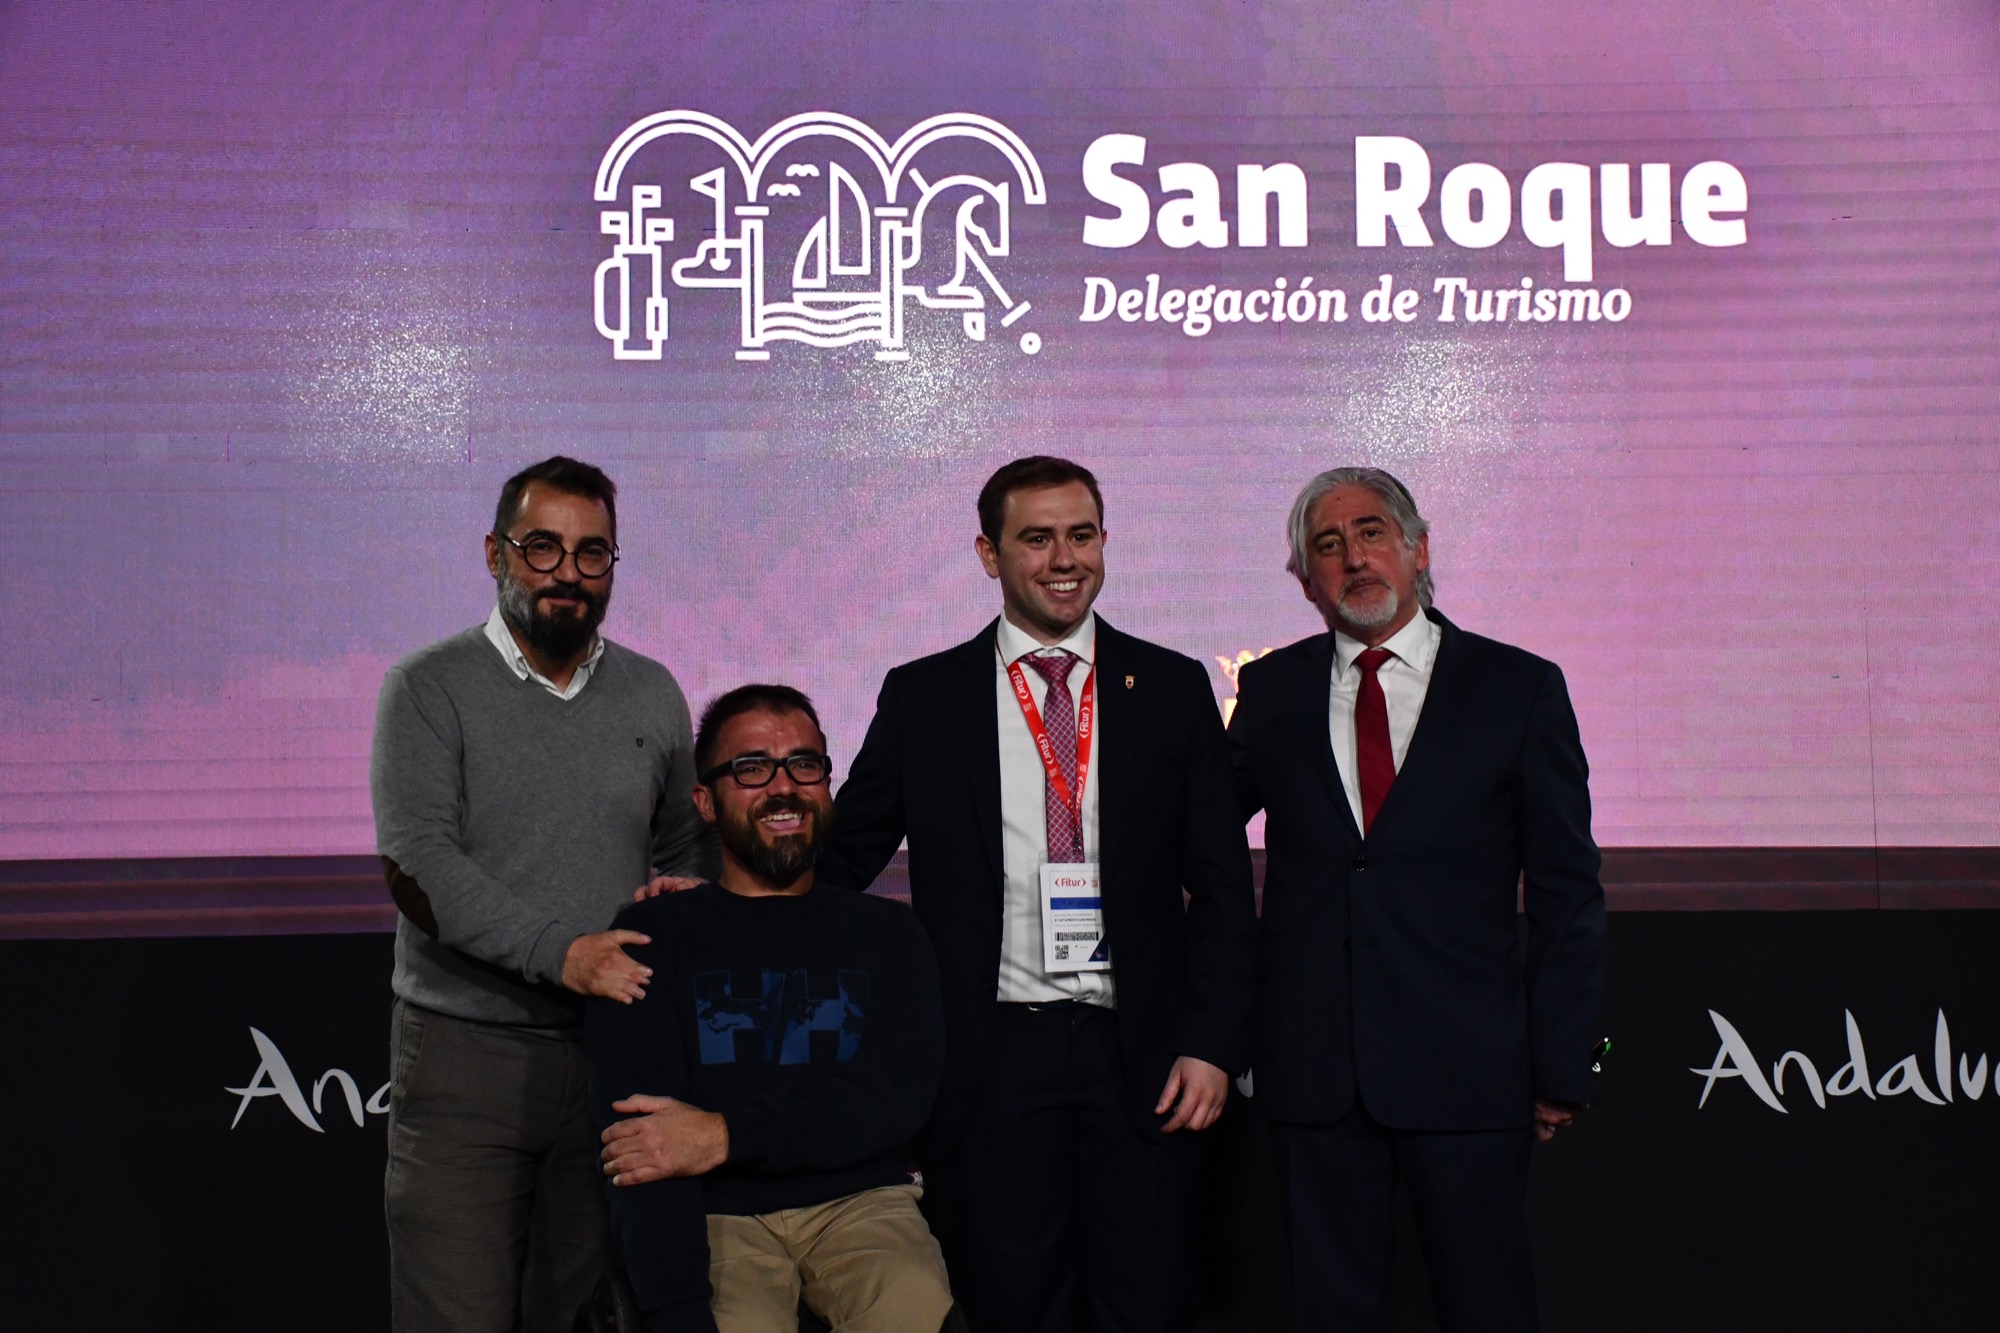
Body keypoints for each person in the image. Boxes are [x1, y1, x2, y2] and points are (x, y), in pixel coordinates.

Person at [817, 455, 1258, 1333]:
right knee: (1013, 1305)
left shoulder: (1171, 687)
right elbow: (842, 857)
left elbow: (1220, 883)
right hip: (991, 1061)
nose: (1065, 559)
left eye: (1081, 535)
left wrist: (1211, 1041)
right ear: (989, 554)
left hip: (1143, 1058)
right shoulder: (925, 696)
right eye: (1037, 538)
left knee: (1145, 1305)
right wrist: (712, 904)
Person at [1227, 466, 1606, 1333]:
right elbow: (1203, 842)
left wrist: (1563, 1061)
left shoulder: (1518, 687)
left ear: (1419, 548)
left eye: (1371, 533)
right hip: (1315, 1072)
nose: (1354, 557)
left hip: (1472, 1070)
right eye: (1328, 545)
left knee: (1487, 1306)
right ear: (1305, 580)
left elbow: (1566, 893)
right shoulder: (1273, 690)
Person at [370, 455, 719, 1333]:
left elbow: (682, 845)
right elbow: (418, 864)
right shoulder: (428, 685)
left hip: (614, 1058)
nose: (568, 571)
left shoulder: (653, 690)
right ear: (496, 553)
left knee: (585, 1316)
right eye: (542, 547)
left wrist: (684, 894)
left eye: (592, 552)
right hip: (465, 1055)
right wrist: (562, 953)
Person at [586, 684, 955, 1333]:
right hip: (718, 1216)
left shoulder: (890, 934)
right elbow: (643, 1148)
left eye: (804, 765)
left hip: (864, 1204)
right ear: (706, 800)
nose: (784, 787)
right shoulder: (654, 935)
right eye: (752, 768)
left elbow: (892, 1103)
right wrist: (676, 1309)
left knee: (916, 1310)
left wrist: (722, 1134)